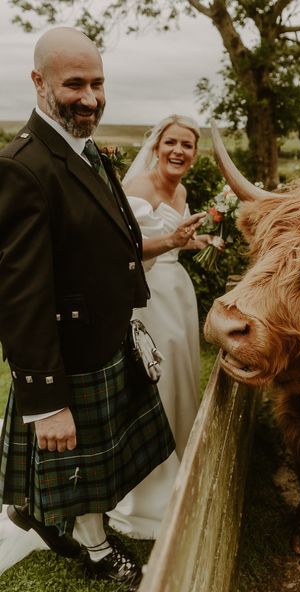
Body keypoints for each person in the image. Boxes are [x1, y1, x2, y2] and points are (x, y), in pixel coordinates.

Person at [0, 28, 203, 589]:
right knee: (86, 463)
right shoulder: (24, 166)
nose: (89, 97)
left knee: (109, 457)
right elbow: (19, 294)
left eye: (97, 83)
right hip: (71, 353)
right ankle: (94, 547)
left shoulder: (85, 150)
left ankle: (36, 508)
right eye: (74, 84)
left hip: (109, 335)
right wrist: (45, 401)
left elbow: (113, 244)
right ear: (39, 83)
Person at [107, 115, 223, 539]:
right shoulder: (137, 188)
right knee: (153, 383)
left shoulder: (183, 190)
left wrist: (201, 241)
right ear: (156, 146)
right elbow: (126, 250)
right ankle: (145, 488)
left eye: (187, 145)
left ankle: (179, 464)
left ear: (195, 153)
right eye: (171, 142)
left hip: (178, 294)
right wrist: (173, 242)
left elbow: (176, 237)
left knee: (179, 379)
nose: (178, 151)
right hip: (147, 298)